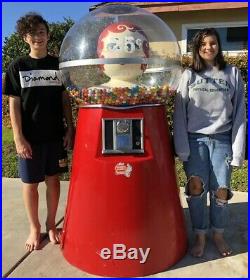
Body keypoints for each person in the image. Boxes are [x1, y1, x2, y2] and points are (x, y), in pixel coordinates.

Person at [4, 13, 74, 252]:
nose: (38, 36)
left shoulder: (58, 65)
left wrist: (70, 127)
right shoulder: (17, 66)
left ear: (48, 34)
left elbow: (65, 100)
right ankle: (34, 228)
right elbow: (13, 104)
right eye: (33, 33)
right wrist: (18, 137)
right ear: (26, 38)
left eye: (42, 31)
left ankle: (51, 225)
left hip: (55, 136)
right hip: (29, 138)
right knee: (30, 184)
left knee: (53, 180)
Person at [173, 28, 246, 257]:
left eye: (212, 43)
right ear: (197, 48)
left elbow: (240, 114)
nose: (208, 47)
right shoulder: (188, 76)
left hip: (223, 139)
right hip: (195, 141)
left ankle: (218, 234)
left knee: (221, 191)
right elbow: (178, 114)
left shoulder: (232, 73)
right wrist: (182, 148)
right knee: (196, 189)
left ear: (218, 46)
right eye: (203, 44)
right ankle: (200, 235)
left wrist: (238, 151)